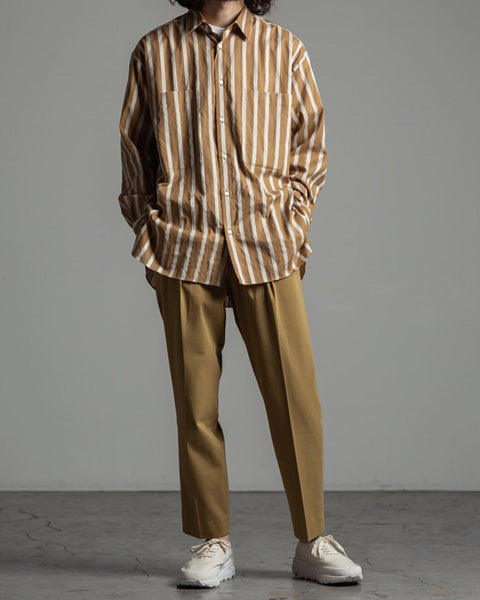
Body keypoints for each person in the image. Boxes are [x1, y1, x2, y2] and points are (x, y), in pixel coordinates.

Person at [118, 0, 363, 589]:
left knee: (295, 396)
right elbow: (134, 148)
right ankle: (213, 540)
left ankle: (312, 539)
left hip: (267, 243)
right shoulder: (155, 50)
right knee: (195, 402)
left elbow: (310, 144)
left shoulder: (285, 48)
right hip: (185, 245)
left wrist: (293, 223)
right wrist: (151, 228)